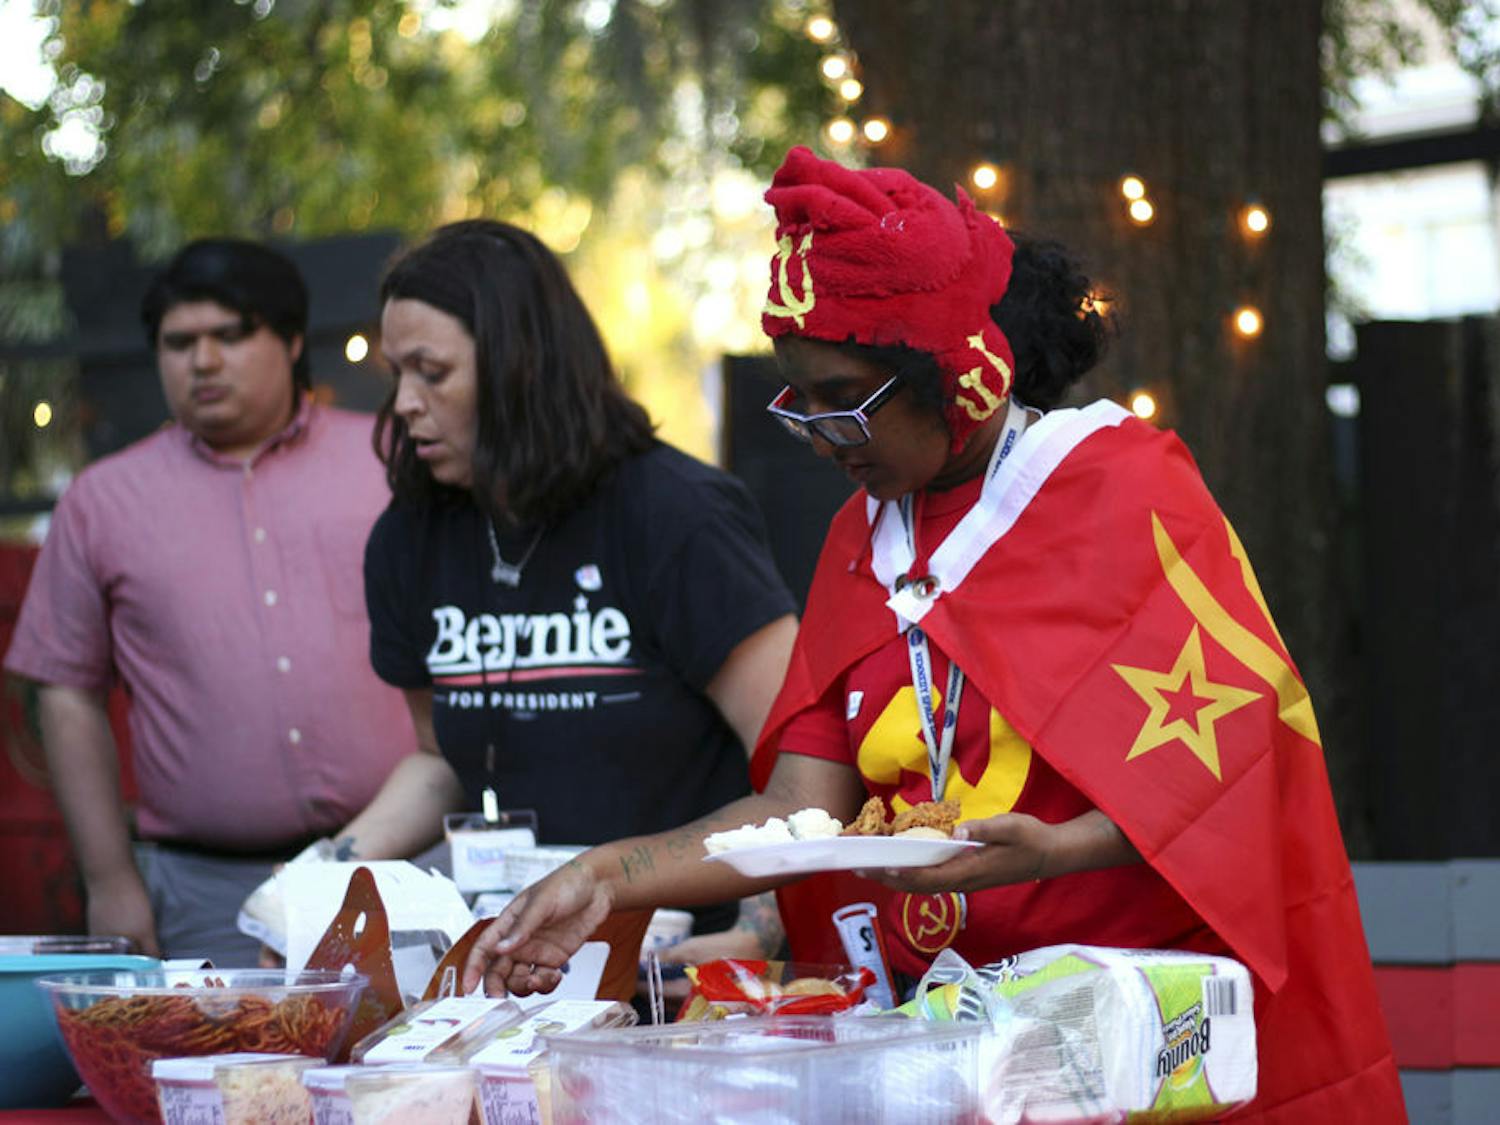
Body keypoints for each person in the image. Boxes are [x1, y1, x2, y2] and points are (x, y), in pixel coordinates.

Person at [462, 147, 1405, 1121]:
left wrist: (1053, 851)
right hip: (946, 1045)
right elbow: (799, 810)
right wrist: (606, 876)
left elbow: (1239, 768)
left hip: (1141, 1046)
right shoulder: (855, 540)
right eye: (801, 402)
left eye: (847, 399)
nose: (824, 435)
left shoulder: (1125, 491)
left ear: (956, 375)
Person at [328, 220, 799, 990]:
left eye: (433, 372)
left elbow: (797, 770)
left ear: (522, 369)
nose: (405, 404)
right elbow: (439, 759)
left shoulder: (677, 515)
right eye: (396, 373)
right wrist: (315, 883)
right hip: (522, 966)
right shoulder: (411, 539)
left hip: (685, 966)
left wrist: (753, 931)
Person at [3, 239, 415, 965]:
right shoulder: (103, 501)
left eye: (230, 335)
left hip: (401, 869)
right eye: (179, 342)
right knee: (224, 1079)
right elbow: (65, 692)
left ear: (291, 340)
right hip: (204, 896)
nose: (203, 361)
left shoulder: (389, 462)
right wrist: (110, 879)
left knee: (417, 1076)